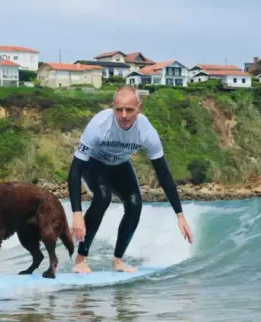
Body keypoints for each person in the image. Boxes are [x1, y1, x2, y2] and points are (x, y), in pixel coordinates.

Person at [67, 85, 193, 274]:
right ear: (113, 107)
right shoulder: (99, 125)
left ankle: (117, 260)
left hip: (120, 164)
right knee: (103, 196)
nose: (124, 115)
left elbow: (163, 174)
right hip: (93, 163)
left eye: (129, 110)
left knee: (135, 204)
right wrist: (77, 213)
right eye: (119, 109)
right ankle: (81, 259)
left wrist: (179, 215)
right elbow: (75, 170)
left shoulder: (146, 132)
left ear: (139, 108)